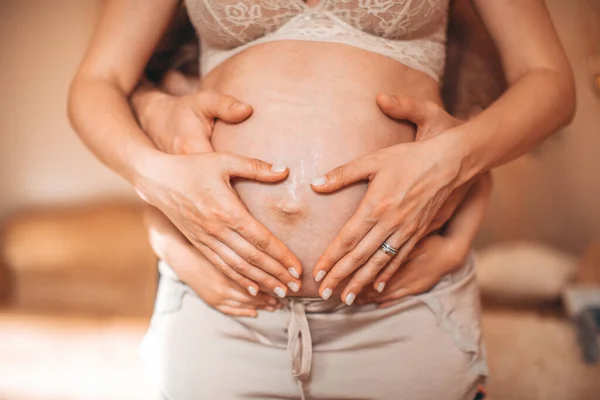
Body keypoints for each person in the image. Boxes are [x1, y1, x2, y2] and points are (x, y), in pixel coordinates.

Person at [68, 0, 575, 398]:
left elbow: (549, 83)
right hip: (221, 306)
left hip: (403, 302)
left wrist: (453, 158)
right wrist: (154, 175)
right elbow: (98, 82)